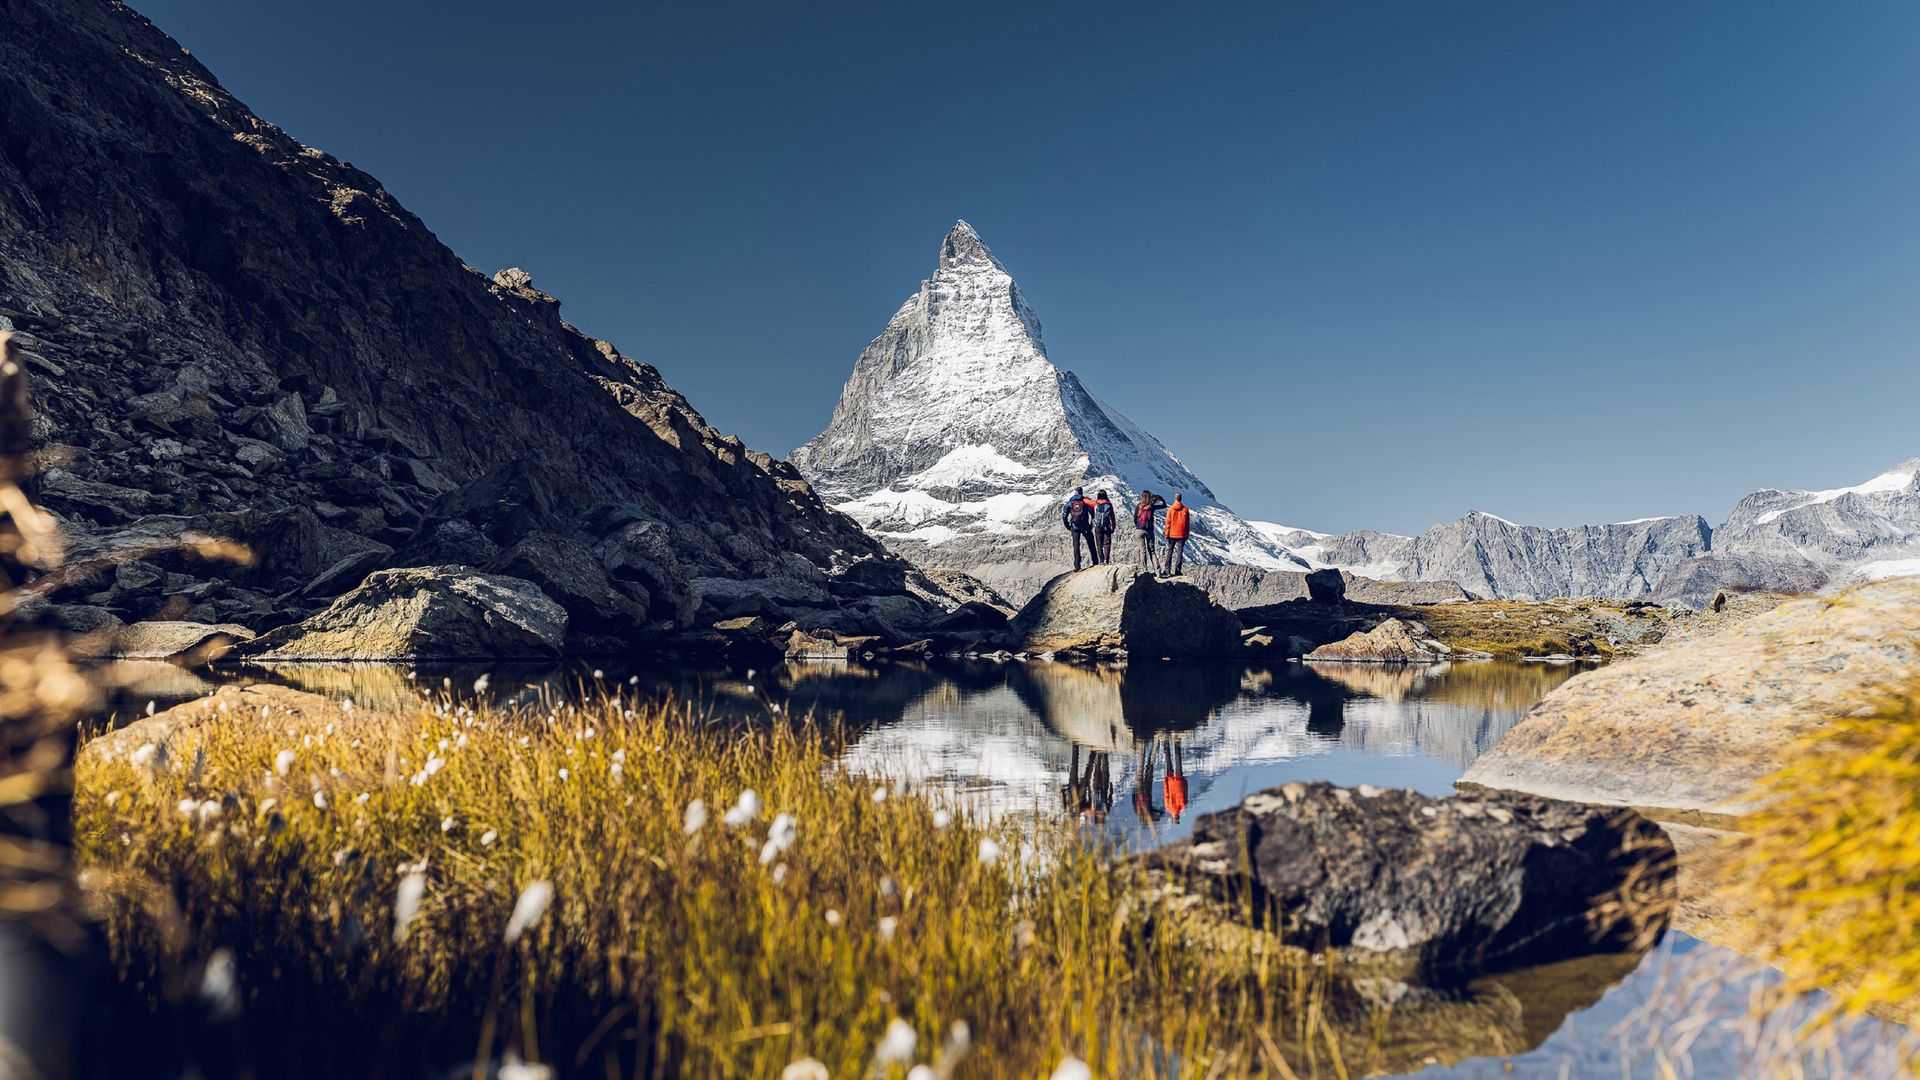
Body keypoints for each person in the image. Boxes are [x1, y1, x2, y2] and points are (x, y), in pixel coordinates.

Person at [1061, 486, 1097, 570]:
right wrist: (1091, 524)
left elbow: (1064, 515)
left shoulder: (1070, 503)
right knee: (1091, 544)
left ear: (1075, 493)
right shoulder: (1084, 501)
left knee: (1076, 546)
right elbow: (1093, 513)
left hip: (1074, 527)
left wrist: (1068, 526)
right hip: (1085, 526)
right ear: (1081, 492)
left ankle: (1077, 566)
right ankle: (1095, 562)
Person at [1133, 489, 1166, 569]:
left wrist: (1138, 526)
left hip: (1139, 530)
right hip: (1149, 530)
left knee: (1142, 550)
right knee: (1152, 551)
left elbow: (1135, 518)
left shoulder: (1139, 506)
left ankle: (1144, 569)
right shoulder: (1152, 507)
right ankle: (1157, 570)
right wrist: (1160, 498)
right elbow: (1164, 505)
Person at [1163, 492, 1191, 576]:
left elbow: (1168, 523)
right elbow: (1187, 524)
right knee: (1179, 552)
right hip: (1181, 534)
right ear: (1181, 499)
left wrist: (1167, 534)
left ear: (1175, 498)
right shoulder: (1185, 509)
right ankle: (1177, 571)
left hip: (1172, 534)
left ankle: (1167, 570)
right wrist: (1186, 535)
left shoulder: (1171, 509)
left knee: (1170, 551)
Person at [1162, 738, 1188, 824]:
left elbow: (1185, 791)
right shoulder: (1168, 807)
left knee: (1178, 761)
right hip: (1170, 783)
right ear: (1173, 817)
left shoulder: (1183, 806)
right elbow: (1166, 793)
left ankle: (1177, 743)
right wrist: (1164, 781)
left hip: (1179, 782)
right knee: (1168, 761)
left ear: (1178, 816)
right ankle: (1166, 742)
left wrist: (1185, 781)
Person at [1092, 489, 1116, 565]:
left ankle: (1101, 560)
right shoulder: (1109, 504)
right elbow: (1112, 516)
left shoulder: (1095, 503)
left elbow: (1087, 502)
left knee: (1099, 543)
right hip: (1107, 526)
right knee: (1107, 543)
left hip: (1098, 526)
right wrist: (1113, 527)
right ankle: (1106, 560)